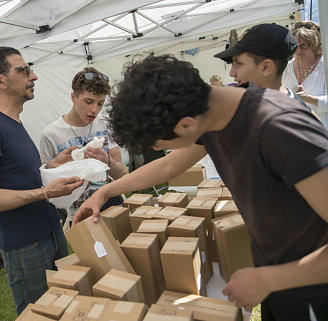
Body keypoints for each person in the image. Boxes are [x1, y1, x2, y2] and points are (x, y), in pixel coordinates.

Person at [73, 54, 328, 321]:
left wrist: (269, 279)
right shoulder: (212, 112)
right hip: (278, 277)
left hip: (312, 289)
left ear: (186, 125)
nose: (162, 151)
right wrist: (104, 192)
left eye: (160, 145)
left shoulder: (280, 129)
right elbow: (168, 167)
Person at [0, 46, 83, 315]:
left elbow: (17, 177)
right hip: (26, 247)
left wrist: (52, 166)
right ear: (1, 80)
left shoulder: (12, 121)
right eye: (24, 70)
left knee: (66, 306)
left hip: (50, 231)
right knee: (40, 314)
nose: (34, 76)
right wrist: (44, 193)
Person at [39, 67, 125, 226]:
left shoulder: (106, 123)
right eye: (88, 102)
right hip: (78, 211)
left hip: (110, 200)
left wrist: (106, 160)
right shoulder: (51, 134)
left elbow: (120, 173)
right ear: (73, 97)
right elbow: (45, 182)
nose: (94, 110)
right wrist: (55, 166)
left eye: (100, 104)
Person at [214, 23, 307, 107]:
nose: (231, 73)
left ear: (266, 67)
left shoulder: (287, 119)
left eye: (238, 63)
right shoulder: (256, 107)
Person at [282, 21, 327, 127]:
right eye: (295, 46)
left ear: (315, 44)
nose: (298, 50)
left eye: (304, 45)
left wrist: (309, 99)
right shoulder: (286, 68)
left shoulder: (325, 66)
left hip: (322, 131)